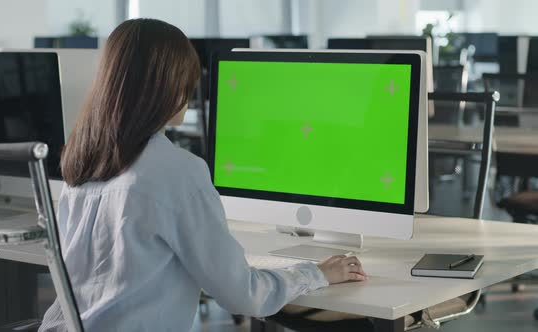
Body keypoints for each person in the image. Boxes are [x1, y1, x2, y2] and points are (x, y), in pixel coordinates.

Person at [39, 18, 368, 331]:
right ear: (171, 89)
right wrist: (317, 273)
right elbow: (242, 294)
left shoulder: (83, 161)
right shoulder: (176, 170)